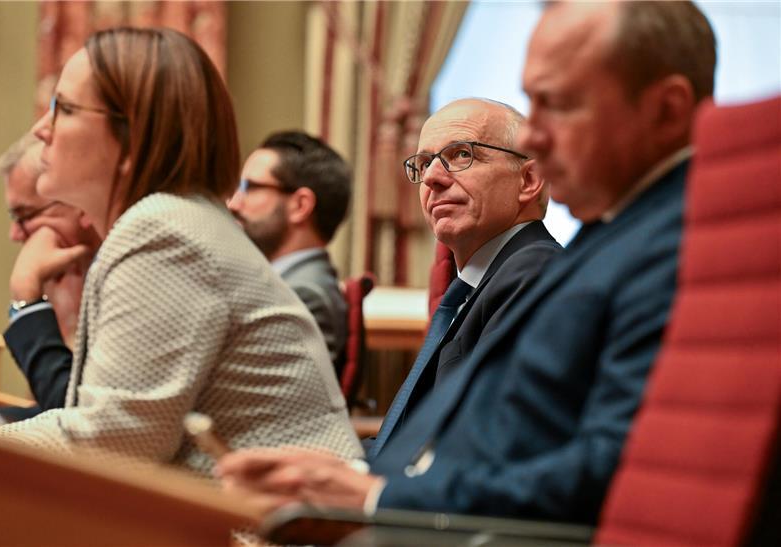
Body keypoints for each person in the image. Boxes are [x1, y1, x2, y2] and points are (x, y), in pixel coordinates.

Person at [215, 0, 716, 523]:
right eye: (424, 163)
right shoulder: (607, 240)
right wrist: (348, 477)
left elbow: (607, 475)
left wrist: (374, 498)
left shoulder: (677, 257)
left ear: (667, 110)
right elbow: (489, 439)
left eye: (559, 103)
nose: (537, 137)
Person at [0, 27, 362, 476]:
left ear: (132, 136)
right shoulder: (176, 220)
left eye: (64, 109)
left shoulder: (163, 231)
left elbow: (113, 441)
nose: (40, 129)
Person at [365, 98, 561, 460]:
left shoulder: (533, 276)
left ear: (529, 180)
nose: (432, 178)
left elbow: (479, 451)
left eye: (461, 155)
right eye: (423, 163)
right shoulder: (485, 281)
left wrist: (362, 488)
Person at [0, 133, 101, 430]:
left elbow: (83, 425)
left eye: (25, 215)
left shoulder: (128, 269)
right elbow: (72, 407)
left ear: (80, 205)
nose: (15, 235)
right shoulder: (81, 273)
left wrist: (26, 296)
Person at [227, 131, 351, 373]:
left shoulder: (304, 295)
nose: (234, 203)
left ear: (300, 205)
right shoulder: (294, 284)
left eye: (250, 187)